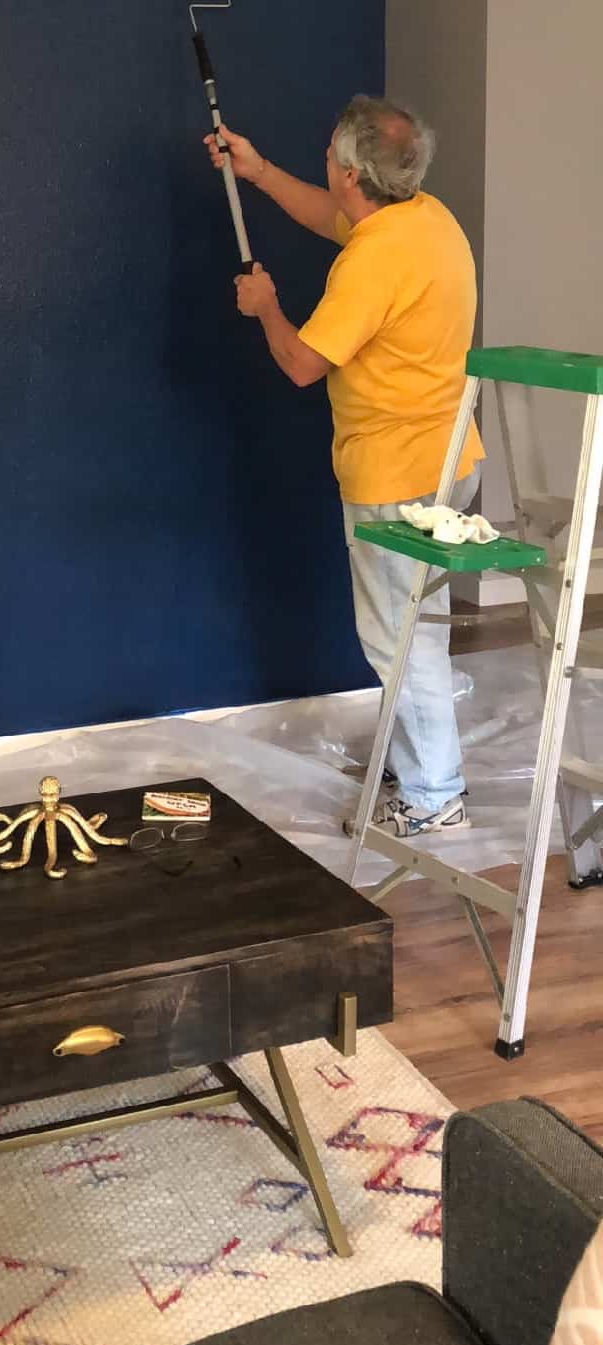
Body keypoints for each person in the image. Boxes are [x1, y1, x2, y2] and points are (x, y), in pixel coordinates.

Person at [206, 94, 483, 839]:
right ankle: (421, 764)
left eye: (329, 153)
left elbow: (300, 362)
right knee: (417, 627)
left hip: (396, 476)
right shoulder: (424, 218)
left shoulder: (373, 259)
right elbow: (326, 216)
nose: (323, 161)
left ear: (354, 173)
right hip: (452, 461)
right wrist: (258, 171)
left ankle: (434, 795)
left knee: (400, 637)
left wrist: (265, 304)